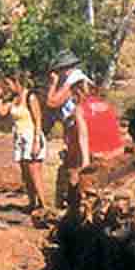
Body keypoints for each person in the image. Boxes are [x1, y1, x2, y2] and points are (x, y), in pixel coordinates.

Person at [0, 76, 49, 220]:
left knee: (34, 172)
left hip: (31, 136)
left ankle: (44, 205)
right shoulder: (12, 99)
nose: (8, 88)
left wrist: (36, 141)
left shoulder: (30, 97)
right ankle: (32, 203)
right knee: (25, 173)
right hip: (19, 137)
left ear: (17, 82)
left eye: (9, 84)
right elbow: (2, 113)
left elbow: (38, 120)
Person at [43, 51, 92, 213]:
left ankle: (73, 204)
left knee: (73, 166)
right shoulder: (82, 79)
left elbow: (51, 102)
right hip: (82, 123)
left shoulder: (72, 82)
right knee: (75, 164)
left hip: (75, 126)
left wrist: (52, 84)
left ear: (65, 69)